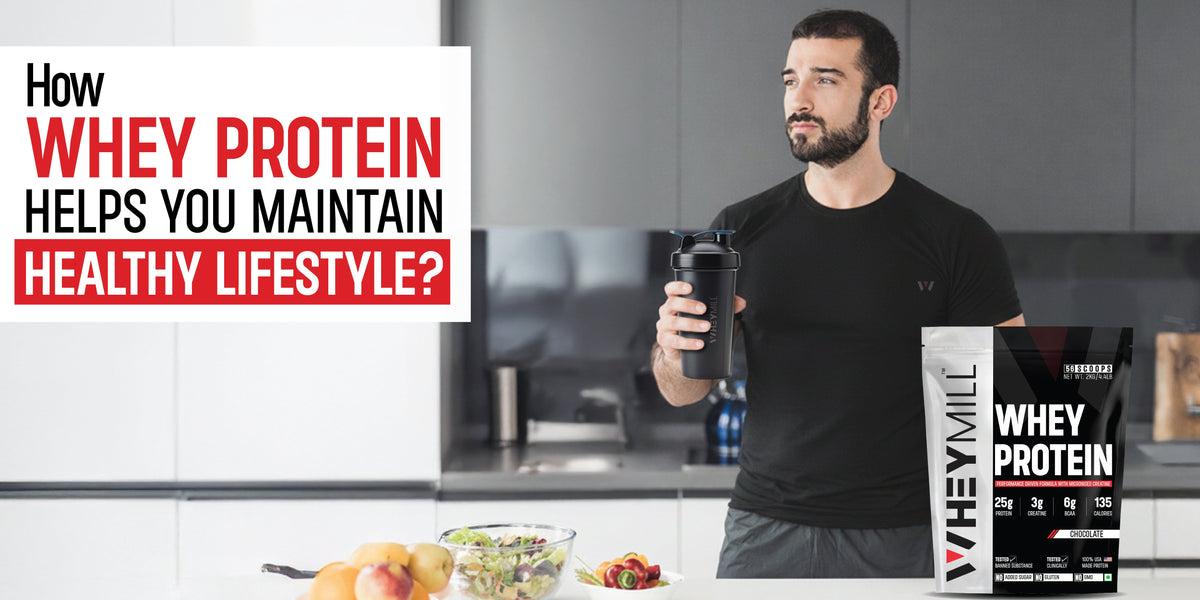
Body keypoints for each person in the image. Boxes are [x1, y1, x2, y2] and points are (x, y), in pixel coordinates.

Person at [651, 9, 1025, 578]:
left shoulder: (955, 236)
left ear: (881, 102)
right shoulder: (740, 229)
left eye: (825, 79)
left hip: (910, 534)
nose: (799, 98)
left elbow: (1011, 400)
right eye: (789, 79)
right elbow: (682, 391)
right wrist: (674, 351)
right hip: (765, 530)